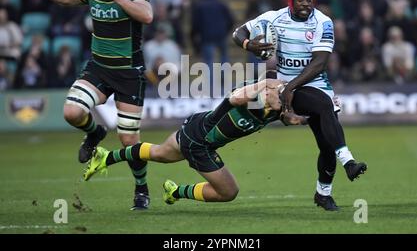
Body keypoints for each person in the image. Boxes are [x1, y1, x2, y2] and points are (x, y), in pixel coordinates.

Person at [10, 0, 153, 210]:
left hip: (128, 73)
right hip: (98, 67)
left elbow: (147, 16)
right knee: (72, 113)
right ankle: (95, 132)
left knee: (128, 140)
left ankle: (141, 188)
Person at [232, 0, 367, 211]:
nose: (305, 3)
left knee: (326, 146)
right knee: (324, 107)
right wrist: (248, 45)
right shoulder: (274, 17)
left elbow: (319, 63)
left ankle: (323, 195)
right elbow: (238, 32)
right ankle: (349, 162)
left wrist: (291, 87)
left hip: (311, 83)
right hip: (282, 84)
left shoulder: (323, 22)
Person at [83, 78, 308, 204]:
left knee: (159, 153)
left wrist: (312, 115)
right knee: (229, 192)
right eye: (278, 93)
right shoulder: (251, 99)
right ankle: (177, 192)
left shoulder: (276, 108)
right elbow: (235, 97)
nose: (283, 97)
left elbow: (290, 116)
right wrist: (263, 85)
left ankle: (106, 157)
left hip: (195, 126)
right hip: (199, 142)